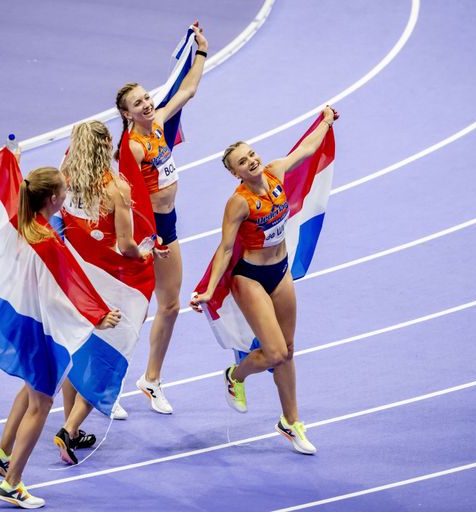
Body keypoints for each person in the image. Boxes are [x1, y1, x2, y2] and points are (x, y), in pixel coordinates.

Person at [190, 106, 338, 455]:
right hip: (250, 277)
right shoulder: (238, 203)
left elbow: (305, 150)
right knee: (272, 352)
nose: (252, 161)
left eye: (252, 154)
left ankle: (291, 421)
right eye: (243, 161)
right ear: (235, 173)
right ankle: (235, 376)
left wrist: (326, 122)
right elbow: (225, 249)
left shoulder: (275, 172)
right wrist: (209, 291)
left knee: (287, 352)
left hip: (280, 271)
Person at [0, 166, 121, 508]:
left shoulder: (21, 222)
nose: (67, 193)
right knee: (42, 403)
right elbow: (66, 287)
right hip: (33, 325)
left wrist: (13, 160)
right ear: (52, 199)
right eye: (64, 190)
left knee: (30, 387)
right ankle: (12, 483)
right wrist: (97, 317)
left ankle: (3, 453)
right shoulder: (46, 240)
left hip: (15, 318)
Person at [52, 120, 164, 464]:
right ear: (107, 146)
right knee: (109, 354)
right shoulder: (116, 188)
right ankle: (69, 429)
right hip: (115, 281)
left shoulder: (64, 178)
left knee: (80, 348)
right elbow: (127, 245)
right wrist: (147, 253)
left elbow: (59, 223)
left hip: (77, 277)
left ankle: (69, 424)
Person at [112, 21, 208, 416]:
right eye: (138, 104)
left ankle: (150, 380)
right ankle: (108, 387)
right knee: (131, 311)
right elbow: (123, 196)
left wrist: (201, 51)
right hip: (144, 232)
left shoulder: (160, 124)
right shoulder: (131, 146)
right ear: (126, 113)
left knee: (170, 306)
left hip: (168, 227)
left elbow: (188, 89)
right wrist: (136, 241)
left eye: (146, 98)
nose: (147, 104)